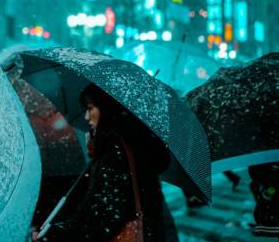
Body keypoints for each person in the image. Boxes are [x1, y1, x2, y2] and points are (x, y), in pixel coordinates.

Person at [38, 83, 176, 241]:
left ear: (107, 109)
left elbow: (101, 214)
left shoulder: (115, 151)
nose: (86, 117)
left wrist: (54, 235)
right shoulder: (134, 143)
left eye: (90, 108)